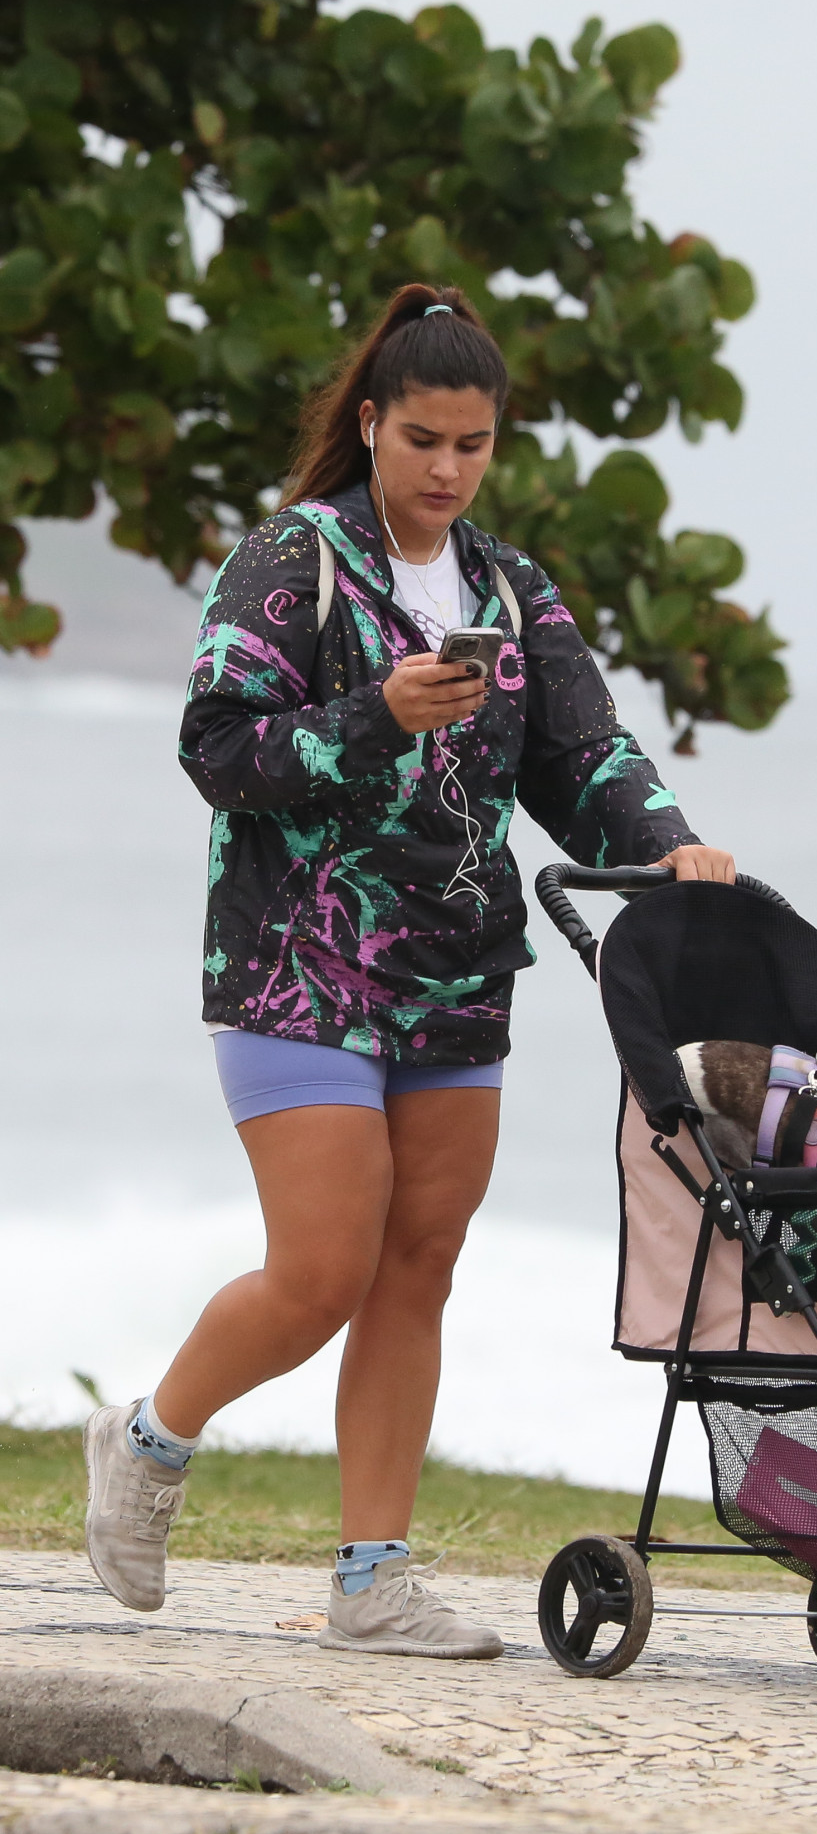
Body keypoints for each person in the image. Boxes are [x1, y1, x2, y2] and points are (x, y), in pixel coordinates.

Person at [82, 283, 734, 1659]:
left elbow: (586, 755)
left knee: (417, 1266)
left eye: (474, 445)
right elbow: (219, 751)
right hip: (293, 967)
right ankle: (147, 1440)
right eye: (424, 438)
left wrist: (669, 847)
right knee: (321, 1269)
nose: (447, 468)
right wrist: (373, 716)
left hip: (454, 973)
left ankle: (373, 1583)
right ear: (371, 423)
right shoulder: (291, 562)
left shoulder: (509, 588)